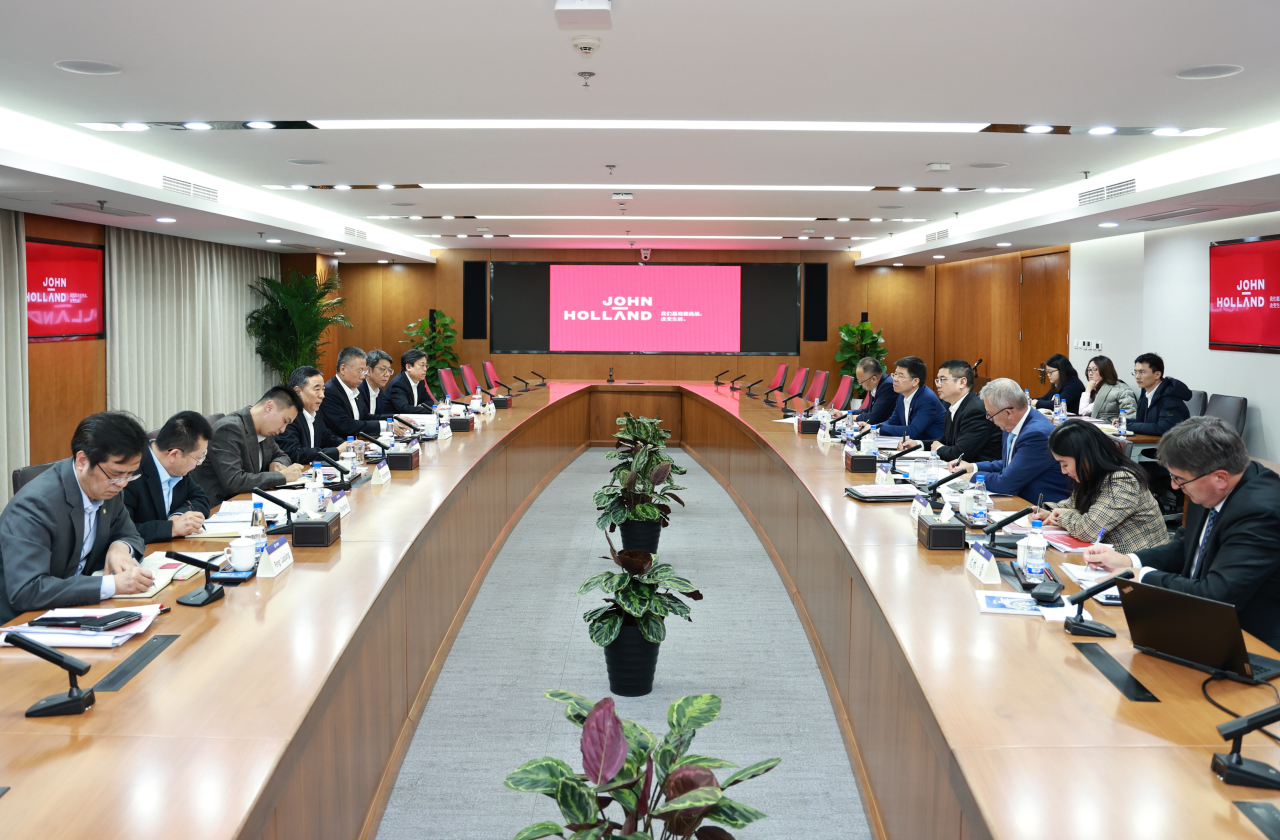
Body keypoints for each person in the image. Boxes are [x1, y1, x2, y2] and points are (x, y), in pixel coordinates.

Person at [1085, 417, 1280, 648]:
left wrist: (1143, 578)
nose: (1174, 487)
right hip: (1199, 619)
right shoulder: (1209, 484)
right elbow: (1189, 546)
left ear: (1220, 478)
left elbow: (1218, 596)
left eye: (1179, 479)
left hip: (1252, 641)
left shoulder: (1260, 512)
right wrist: (1129, 562)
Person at [0, 412, 153, 623]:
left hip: (78, 608)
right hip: (24, 621)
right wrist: (113, 585)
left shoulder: (108, 489)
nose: (123, 483)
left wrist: (119, 547)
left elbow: (131, 535)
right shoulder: (35, 505)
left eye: (130, 474)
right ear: (82, 460)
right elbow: (28, 590)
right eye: (116, 474)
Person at [1040, 420, 1168, 553]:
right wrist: (1048, 512)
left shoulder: (1124, 480)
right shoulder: (1090, 473)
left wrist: (1061, 516)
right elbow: (1074, 503)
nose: (1063, 471)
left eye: (1065, 464)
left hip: (1137, 561)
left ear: (1085, 457)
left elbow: (1088, 531)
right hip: (1107, 556)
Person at [951, 378, 1070, 502]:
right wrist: (973, 467)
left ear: (1008, 413)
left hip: (1039, 505)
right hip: (1018, 498)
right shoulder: (1012, 423)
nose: (989, 419)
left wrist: (974, 477)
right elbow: (1012, 464)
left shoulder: (1037, 435)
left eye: (990, 414)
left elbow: (1005, 484)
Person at [191, 386, 307, 507]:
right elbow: (234, 481)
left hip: (248, 500)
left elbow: (282, 455)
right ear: (269, 406)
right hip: (219, 507)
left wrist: (277, 462)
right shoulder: (229, 429)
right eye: (285, 421)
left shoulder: (264, 429)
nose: (283, 429)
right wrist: (281, 476)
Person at [121, 410, 213, 544]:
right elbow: (123, 531)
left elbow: (200, 499)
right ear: (174, 455)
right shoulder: (131, 473)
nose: (199, 463)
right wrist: (171, 528)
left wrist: (178, 516)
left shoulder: (178, 469)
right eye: (198, 458)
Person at [902, 359, 1001, 462]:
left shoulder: (976, 410)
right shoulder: (953, 407)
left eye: (943, 379)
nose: (938, 385)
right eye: (937, 380)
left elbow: (960, 454)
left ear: (962, 382)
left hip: (980, 470)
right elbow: (946, 441)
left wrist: (938, 448)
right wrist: (918, 444)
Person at [320, 346, 409, 440]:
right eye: (360, 371)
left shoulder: (354, 389)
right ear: (343, 369)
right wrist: (383, 426)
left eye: (364, 371)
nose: (363, 376)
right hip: (342, 446)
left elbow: (365, 416)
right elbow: (345, 425)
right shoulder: (329, 392)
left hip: (358, 443)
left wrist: (394, 419)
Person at [857, 355, 945, 441]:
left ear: (915, 381)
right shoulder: (902, 396)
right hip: (910, 445)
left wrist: (877, 430)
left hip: (930, 447)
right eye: (895, 374)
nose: (895, 379)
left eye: (901, 376)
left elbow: (913, 431)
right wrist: (872, 427)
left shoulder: (927, 399)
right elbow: (892, 421)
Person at [277, 365, 351, 464]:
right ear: (298, 391)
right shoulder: (288, 416)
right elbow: (293, 453)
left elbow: (326, 437)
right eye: (317, 389)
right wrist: (336, 451)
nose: (322, 395)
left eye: (323, 389)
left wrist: (348, 445)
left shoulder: (315, 411)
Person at [1128, 352, 1191, 436]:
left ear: (1157, 374)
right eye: (1135, 372)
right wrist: (1124, 422)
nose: (1137, 376)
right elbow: (1143, 421)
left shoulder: (1170, 398)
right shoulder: (1146, 393)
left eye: (1142, 372)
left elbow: (1163, 429)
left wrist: (1129, 426)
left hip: (1172, 443)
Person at [1077, 355, 1137, 422]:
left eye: (1095, 369)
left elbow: (1130, 416)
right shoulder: (1093, 388)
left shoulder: (1122, 389)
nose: (1090, 373)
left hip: (1110, 427)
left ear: (1104, 371)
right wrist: (1088, 390)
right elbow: (1082, 413)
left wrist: (1088, 390)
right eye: (1089, 370)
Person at [387, 349, 437, 413]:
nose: (425, 369)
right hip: (393, 419)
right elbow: (405, 409)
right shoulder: (398, 384)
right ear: (408, 367)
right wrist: (434, 410)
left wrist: (418, 408)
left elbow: (429, 401)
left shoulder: (420, 381)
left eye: (426, 366)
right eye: (422, 365)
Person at [850, 358, 895, 425]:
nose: (860, 384)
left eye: (861, 382)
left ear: (873, 379)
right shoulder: (876, 384)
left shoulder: (888, 386)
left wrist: (855, 417)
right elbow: (868, 410)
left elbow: (874, 418)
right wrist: (844, 413)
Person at [362, 349, 396, 417]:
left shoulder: (379, 391)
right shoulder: (359, 391)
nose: (387, 375)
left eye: (389, 370)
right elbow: (363, 418)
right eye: (383, 369)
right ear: (368, 371)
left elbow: (377, 417)